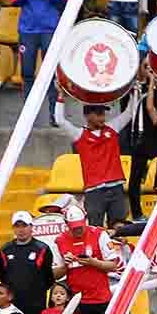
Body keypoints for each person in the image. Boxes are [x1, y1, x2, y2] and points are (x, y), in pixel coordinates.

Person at [9, 0, 69, 125]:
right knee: (27, 73)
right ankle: (28, 116)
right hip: (27, 29)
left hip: (50, 29)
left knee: (50, 73)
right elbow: (12, 0)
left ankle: (54, 115)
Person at [54, 94, 135, 227]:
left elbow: (129, 112)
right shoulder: (79, 134)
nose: (102, 117)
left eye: (103, 114)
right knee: (95, 228)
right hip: (94, 191)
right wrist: (61, 96)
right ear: (87, 116)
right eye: (98, 114)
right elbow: (60, 120)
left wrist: (133, 91)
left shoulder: (112, 128)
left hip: (116, 187)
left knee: (119, 229)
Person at [0, 211, 59, 314]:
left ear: (31, 226)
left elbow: (48, 278)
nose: (21, 230)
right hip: (13, 305)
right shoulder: (5, 249)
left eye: (24, 226)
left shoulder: (42, 249)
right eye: (17, 226)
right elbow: (3, 276)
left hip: (36, 305)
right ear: (13, 228)